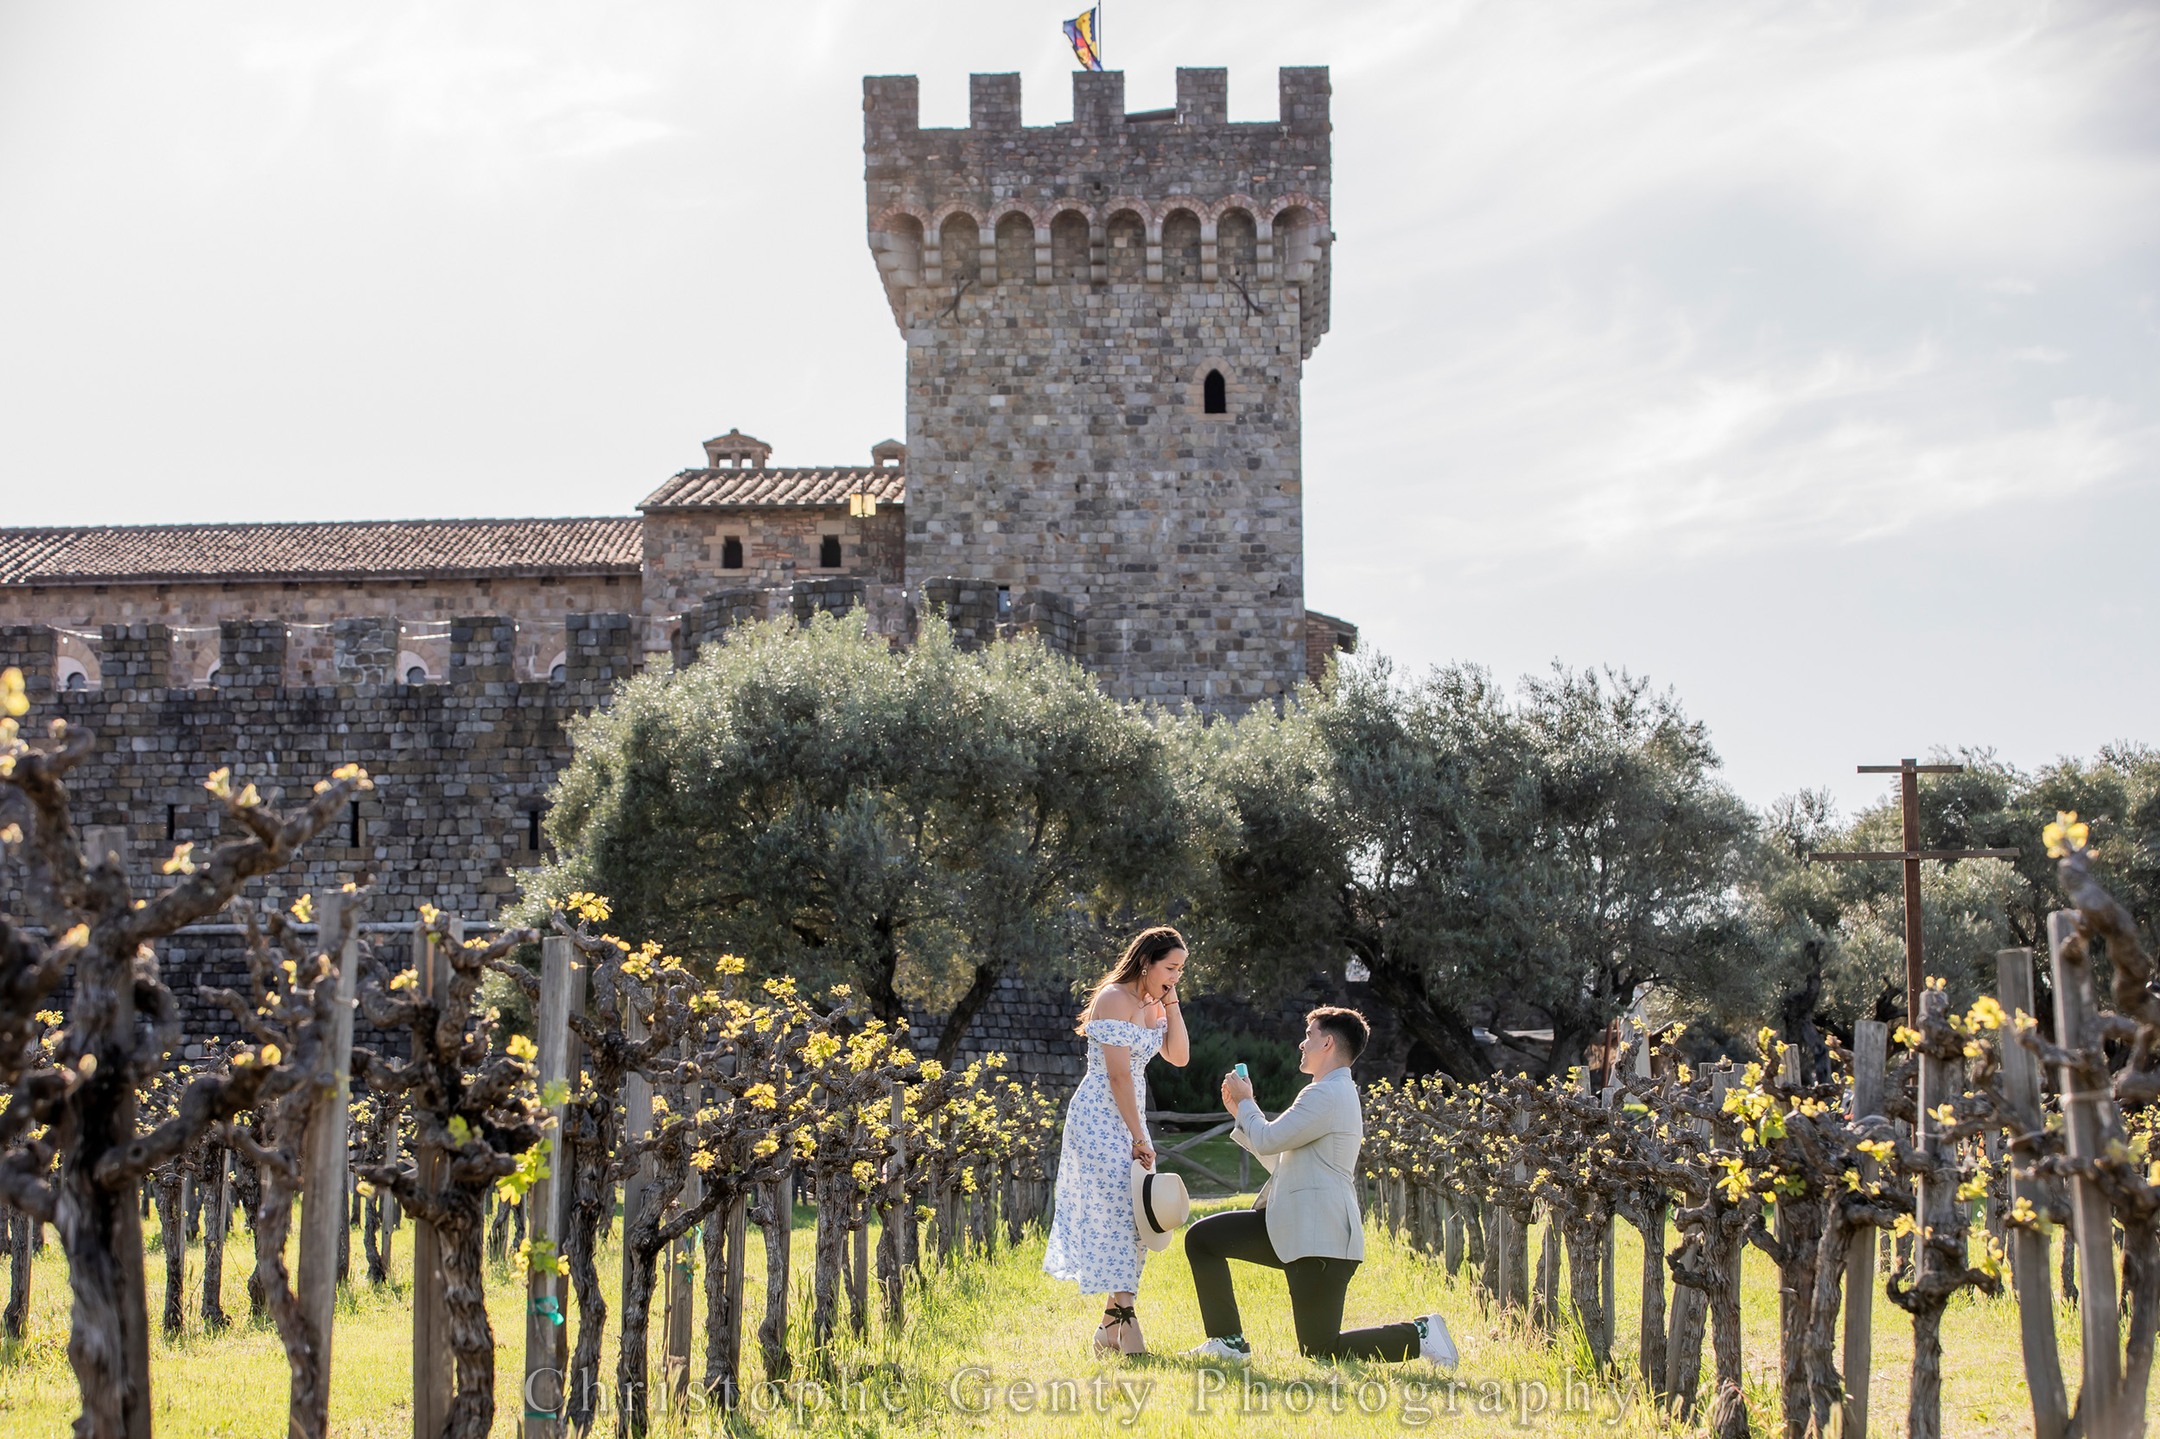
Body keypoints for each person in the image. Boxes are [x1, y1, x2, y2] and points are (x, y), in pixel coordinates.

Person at [1182, 1006, 1458, 1368]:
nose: (1302, 1043)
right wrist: (1242, 1115)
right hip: (1295, 1228)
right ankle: (1228, 1342)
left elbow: (1267, 1141)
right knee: (1203, 1239)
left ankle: (1421, 1335)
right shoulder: (1327, 1092)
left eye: (1309, 1035)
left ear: (1327, 1042)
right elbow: (1280, 1158)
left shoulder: (1325, 1094)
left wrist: (1248, 1103)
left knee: (1321, 1348)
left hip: (1319, 1237)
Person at [1041, 926, 1190, 1354]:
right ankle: (1127, 1329)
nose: (1176, 975)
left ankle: (1109, 1329)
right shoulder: (1112, 1000)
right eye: (1170, 968)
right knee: (1117, 1216)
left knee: (1139, 1220)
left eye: (1181, 970)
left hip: (1130, 1117)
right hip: (1100, 1119)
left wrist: (1170, 1001)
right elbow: (1119, 1074)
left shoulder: (1154, 1004)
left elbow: (1179, 1056)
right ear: (1147, 961)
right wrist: (1139, 1135)